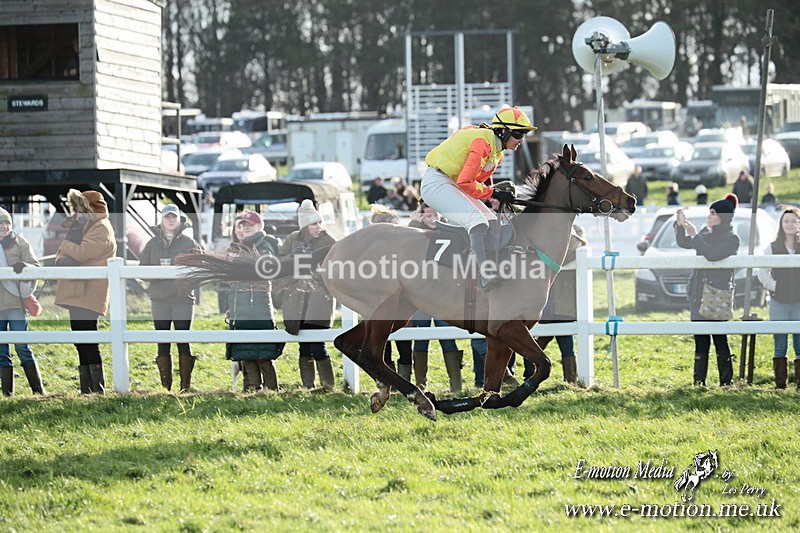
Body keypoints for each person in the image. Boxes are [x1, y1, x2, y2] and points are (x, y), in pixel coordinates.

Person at [421, 105, 535, 290]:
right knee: (476, 220)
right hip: (436, 183)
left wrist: (493, 196)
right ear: (503, 131)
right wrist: (494, 193)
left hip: (451, 183)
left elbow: (479, 181)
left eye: (523, 135)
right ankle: (484, 274)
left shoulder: (497, 152)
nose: (521, 140)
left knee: (492, 222)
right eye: (519, 134)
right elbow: (465, 183)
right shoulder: (483, 142)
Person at [54, 189, 117, 394]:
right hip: (77, 289)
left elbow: (81, 253)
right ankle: (86, 389)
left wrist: (65, 244)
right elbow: (61, 256)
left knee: (89, 339)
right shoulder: (84, 228)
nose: (78, 214)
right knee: (79, 339)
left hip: (90, 290)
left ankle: (96, 389)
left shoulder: (101, 228)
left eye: (82, 209)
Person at [675, 193, 740, 387]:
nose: (709, 217)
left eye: (713, 213)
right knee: (700, 340)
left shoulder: (731, 239)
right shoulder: (706, 232)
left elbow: (712, 255)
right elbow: (684, 243)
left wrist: (695, 235)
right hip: (697, 293)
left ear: (723, 217)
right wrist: (680, 225)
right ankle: (698, 383)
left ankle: (726, 383)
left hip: (716, 295)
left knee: (720, 340)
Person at [138, 205, 202, 392]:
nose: (171, 220)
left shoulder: (189, 243)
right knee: (162, 341)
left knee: (183, 339)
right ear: (162, 220)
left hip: (182, 298)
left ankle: (185, 387)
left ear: (180, 220)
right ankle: (166, 387)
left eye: (174, 217)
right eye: (167, 217)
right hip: (159, 299)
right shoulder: (152, 244)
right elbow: (142, 270)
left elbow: (198, 268)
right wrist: (159, 274)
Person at [277, 200, 337, 390]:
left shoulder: (328, 240)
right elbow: (281, 263)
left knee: (316, 343)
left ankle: (328, 385)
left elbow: (335, 266)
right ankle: (308, 386)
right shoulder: (293, 239)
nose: (318, 227)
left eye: (319, 223)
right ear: (304, 225)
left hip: (318, 298)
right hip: (296, 299)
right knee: (303, 344)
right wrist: (292, 258)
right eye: (313, 224)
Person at [225, 211, 283, 392]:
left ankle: (271, 389)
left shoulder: (265, 245)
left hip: (257, 304)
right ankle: (251, 389)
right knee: (245, 351)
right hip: (240, 304)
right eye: (240, 226)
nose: (243, 229)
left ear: (259, 227)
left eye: (248, 226)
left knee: (262, 351)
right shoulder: (238, 247)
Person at [525, 224, 587, 384]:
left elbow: (569, 252)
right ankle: (531, 375)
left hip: (563, 294)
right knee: (539, 339)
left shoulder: (575, 232)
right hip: (545, 293)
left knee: (564, 340)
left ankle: (570, 380)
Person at [0, 208, 45, 396]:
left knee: (22, 346)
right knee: (1, 350)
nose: (3, 226)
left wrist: (23, 267)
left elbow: (35, 266)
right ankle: (8, 394)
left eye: (6, 223)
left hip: (15, 303)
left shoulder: (21, 242)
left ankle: (38, 391)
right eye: (0, 223)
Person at [756, 207, 800, 389]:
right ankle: (780, 385)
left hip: (799, 302)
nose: (789, 224)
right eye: (786, 221)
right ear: (781, 225)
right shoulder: (772, 247)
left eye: (793, 221)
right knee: (780, 344)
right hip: (778, 302)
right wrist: (776, 287)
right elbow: (762, 272)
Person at [368, 204, 414, 378]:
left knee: (405, 345)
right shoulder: (372, 252)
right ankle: (388, 380)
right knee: (382, 346)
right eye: (396, 226)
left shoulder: (406, 248)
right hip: (381, 305)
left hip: (403, 304)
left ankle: (405, 380)